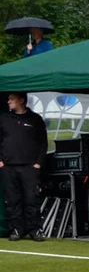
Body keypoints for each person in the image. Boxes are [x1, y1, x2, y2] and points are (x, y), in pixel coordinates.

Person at [0, 92, 47, 241]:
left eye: (11, 99)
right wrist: (1, 161)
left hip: (29, 167)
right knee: (12, 200)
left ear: (21, 100)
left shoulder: (35, 119)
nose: (8, 102)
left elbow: (43, 143)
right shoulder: (3, 119)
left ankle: (35, 230)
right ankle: (16, 230)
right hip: (8, 166)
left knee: (32, 199)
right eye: (8, 99)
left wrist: (38, 163)